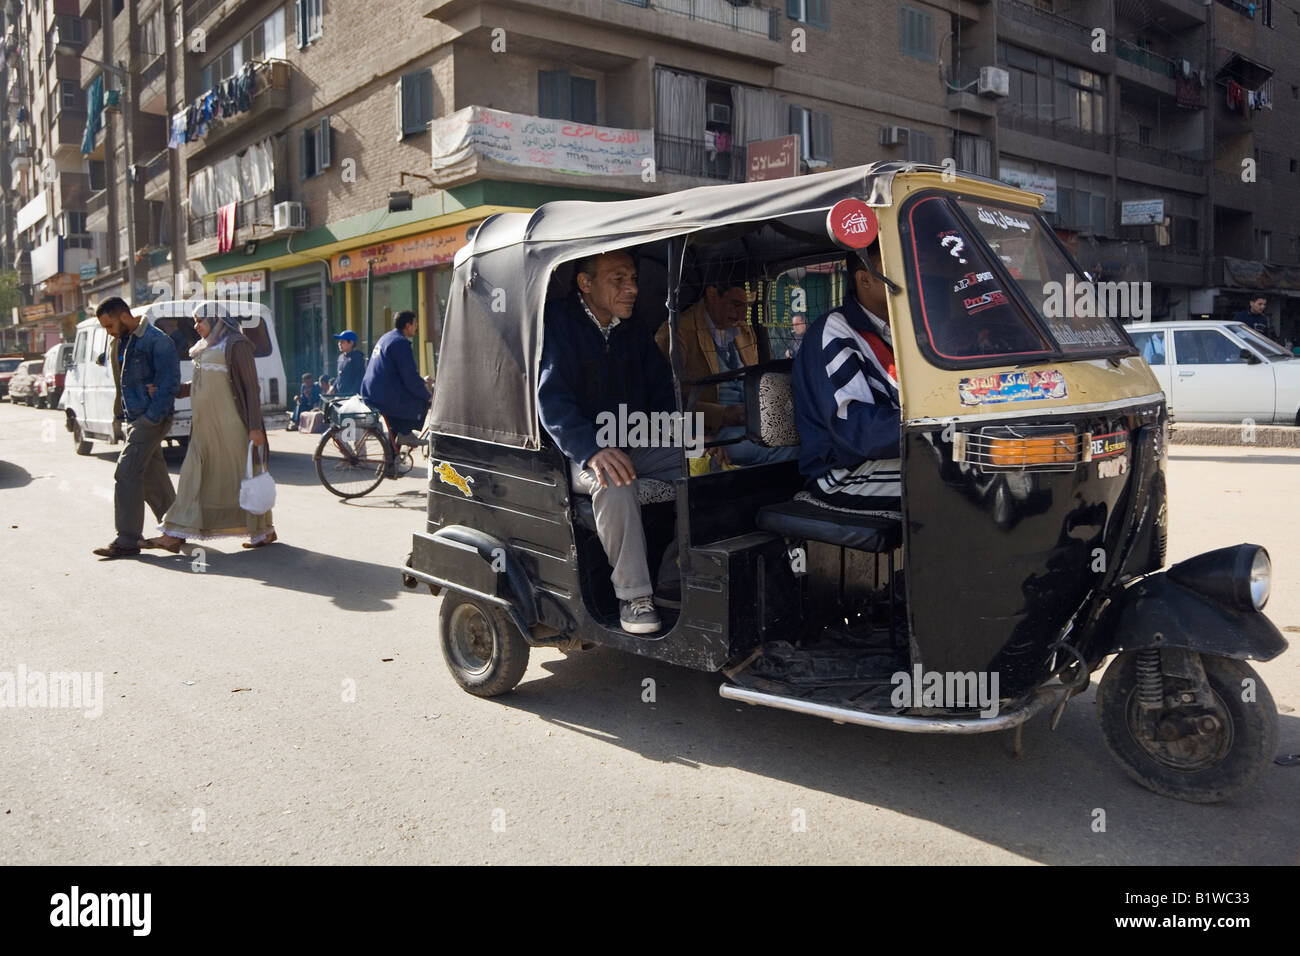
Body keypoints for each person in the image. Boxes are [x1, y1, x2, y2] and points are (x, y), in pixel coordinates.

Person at [539, 250, 680, 635]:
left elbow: (662, 392)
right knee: (614, 480)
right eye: (619, 280)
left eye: (633, 279)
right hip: (575, 451)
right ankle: (634, 597)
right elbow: (553, 402)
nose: (632, 289)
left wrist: (682, 433)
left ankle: (673, 574)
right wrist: (591, 451)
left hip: (633, 441)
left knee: (700, 462)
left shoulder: (632, 330)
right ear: (586, 284)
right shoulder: (559, 326)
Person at [144, 304, 276, 551]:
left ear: (216, 319)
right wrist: (167, 390)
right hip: (204, 429)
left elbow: (250, 387)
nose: (195, 327)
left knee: (243, 477)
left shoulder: (237, 344)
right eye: (194, 321)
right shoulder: (204, 347)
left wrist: (255, 427)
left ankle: (264, 531)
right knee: (192, 476)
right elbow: (199, 383)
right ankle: (173, 533)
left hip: (232, 426)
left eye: (199, 321)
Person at [792, 245, 901, 510]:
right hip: (841, 472)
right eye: (897, 267)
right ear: (865, 279)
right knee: (958, 480)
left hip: (887, 456)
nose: (908, 276)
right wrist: (933, 432)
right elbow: (856, 431)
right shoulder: (835, 331)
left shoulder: (897, 329)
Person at [654, 275, 798, 467]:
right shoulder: (676, 334)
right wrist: (723, 414)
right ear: (712, 294)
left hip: (755, 421)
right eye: (737, 304)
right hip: (713, 433)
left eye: (747, 306)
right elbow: (664, 402)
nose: (742, 315)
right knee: (788, 449)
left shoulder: (744, 330)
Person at [92, 297, 180, 559]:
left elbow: (170, 382)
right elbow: (123, 384)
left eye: (109, 325)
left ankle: (127, 540)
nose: (108, 331)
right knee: (152, 476)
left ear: (124, 315)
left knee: (126, 472)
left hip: (151, 419)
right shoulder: (119, 341)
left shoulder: (157, 340)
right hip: (134, 418)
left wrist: (152, 418)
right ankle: (176, 531)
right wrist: (120, 416)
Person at [361, 311, 432, 453]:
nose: (416, 326)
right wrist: (427, 395)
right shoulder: (401, 343)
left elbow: (400, 372)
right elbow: (409, 376)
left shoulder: (388, 337)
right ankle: (406, 433)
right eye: (415, 323)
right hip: (383, 393)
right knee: (422, 401)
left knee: (396, 423)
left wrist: (421, 381)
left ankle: (391, 464)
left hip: (372, 390)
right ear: (408, 325)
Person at [332, 330, 365, 398]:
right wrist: (333, 386)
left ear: (351, 343)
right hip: (340, 396)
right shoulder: (340, 357)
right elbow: (340, 376)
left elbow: (359, 378)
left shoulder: (357, 357)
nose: (339, 344)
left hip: (351, 398)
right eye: (339, 342)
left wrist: (353, 395)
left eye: (342, 342)